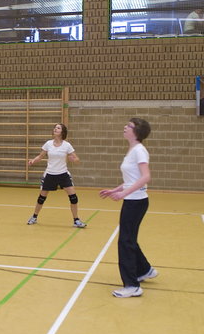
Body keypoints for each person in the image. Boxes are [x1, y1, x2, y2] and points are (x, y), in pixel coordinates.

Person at [99, 118, 158, 298]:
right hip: (133, 200)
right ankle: (145, 270)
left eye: (129, 126)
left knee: (125, 242)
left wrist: (123, 194)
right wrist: (115, 190)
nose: (125, 127)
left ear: (137, 132)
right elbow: (132, 179)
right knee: (129, 239)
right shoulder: (132, 150)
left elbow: (145, 177)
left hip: (136, 202)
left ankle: (132, 285)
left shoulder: (139, 151)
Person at [27, 123, 86, 228]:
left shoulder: (67, 145)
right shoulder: (48, 144)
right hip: (50, 174)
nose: (55, 129)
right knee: (41, 198)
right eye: (55, 127)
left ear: (62, 132)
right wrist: (33, 161)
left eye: (58, 128)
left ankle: (76, 220)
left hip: (63, 174)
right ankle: (34, 217)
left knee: (73, 198)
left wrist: (74, 159)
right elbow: (40, 156)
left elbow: (77, 159)